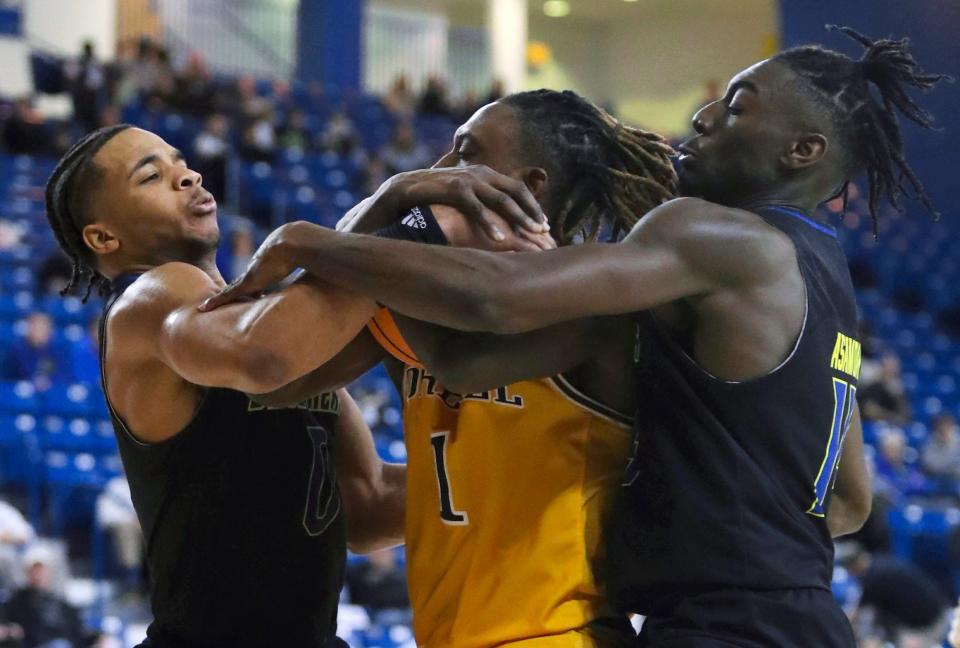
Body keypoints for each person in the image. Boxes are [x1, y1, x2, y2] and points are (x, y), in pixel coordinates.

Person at [212, 26, 948, 646]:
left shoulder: (705, 235)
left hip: (717, 620)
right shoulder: (826, 279)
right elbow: (849, 499)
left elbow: (492, 303)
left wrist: (316, 236)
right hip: (798, 615)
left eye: (737, 108)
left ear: (803, 152)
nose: (702, 118)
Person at [43, 122, 545, 647]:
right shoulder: (151, 296)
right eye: (151, 176)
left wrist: (513, 476)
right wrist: (423, 229)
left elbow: (367, 504)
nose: (187, 176)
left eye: (180, 162)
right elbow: (264, 355)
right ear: (103, 237)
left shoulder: (261, 321)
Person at [5, 546, 102, 648]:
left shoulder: (62, 603)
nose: (38, 574)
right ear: (27, 573)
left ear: (49, 572)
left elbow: (80, 633)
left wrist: (100, 637)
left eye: (41, 570)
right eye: (34, 570)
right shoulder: (16, 602)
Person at [1, 312, 70, 390]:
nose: (37, 330)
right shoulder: (17, 350)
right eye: (35, 326)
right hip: (23, 394)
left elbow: (64, 377)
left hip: (50, 394)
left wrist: (49, 382)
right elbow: (10, 378)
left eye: (42, 327)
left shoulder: (57, 350)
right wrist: (32, 382)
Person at [922, 414, 960, 483]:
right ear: (937, 428)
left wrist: (949, 444)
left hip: (956, 479)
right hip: (937, 479)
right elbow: (929, 464)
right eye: (941, 427)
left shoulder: (958, 439)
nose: (944, 430)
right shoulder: (930, 441)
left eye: (947, 427)